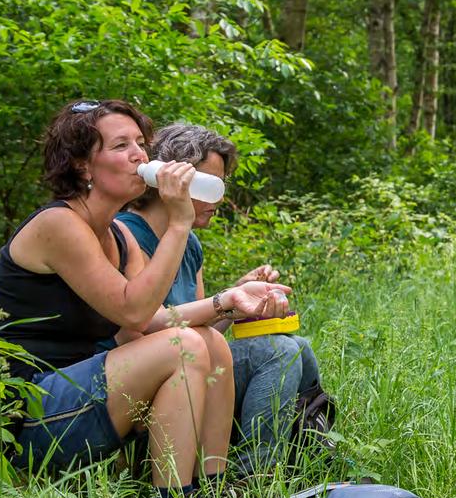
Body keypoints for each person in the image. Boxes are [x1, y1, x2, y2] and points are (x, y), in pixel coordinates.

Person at [0, 99, 290, 498]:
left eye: (141, 142)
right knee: (184, 346)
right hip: (19, 415)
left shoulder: (117, 237)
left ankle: (212, 496)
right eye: (121, 145)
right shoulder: (58, 224)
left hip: (74, 399)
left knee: (209, 341)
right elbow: (135, 314)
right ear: (84, 166)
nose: (140, 154)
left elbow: (157, 318)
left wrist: (227, 302)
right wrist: (179, 222)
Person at [113, 122, 321, 474]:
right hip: (145, 385)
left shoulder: (189, 243)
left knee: (298, 346)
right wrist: (225, 299)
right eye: (208, 186)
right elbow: (138, 332)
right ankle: (251, 475)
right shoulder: (127, 235)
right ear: (170, 180)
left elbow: (204, 333)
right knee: (280, 353)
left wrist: (237, 301)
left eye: (220, 186)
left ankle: (308, 452)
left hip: (191, 364)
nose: (219, 199)